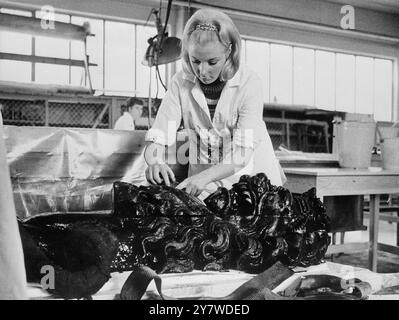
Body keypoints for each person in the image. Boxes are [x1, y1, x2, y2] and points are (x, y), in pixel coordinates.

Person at [144, 8, 286, 199]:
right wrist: (154, 160)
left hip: (251, 180)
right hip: (204, 180)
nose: (202, 71)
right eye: (195, 61)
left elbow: (242, 155)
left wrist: (205, 177)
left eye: (212, 62)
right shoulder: (180, 82)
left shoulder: (249, 83)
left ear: (229, 52)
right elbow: (160, 133)